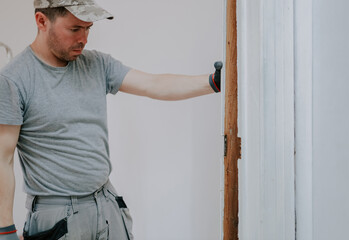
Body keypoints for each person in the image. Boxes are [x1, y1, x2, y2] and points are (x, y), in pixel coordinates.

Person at [0, 0, 222, 239]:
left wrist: (214, 81)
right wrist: (5, 229)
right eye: (75, 29)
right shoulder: (14, 79)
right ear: (42, 21)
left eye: (88, 29)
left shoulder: (96, 63)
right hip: (57, 215)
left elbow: (153, 84)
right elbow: (4, 158)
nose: (84, 39)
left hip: (106, 203)